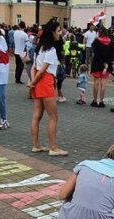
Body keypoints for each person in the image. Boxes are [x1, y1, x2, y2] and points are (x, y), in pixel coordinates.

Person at [28, 21, 66, 156]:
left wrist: (32, 82)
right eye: (58, 30)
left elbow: (34, 67)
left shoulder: (39, 48)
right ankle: (53, 147)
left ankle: (36, 145)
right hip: (45, 81)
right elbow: (43, 70)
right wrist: (33, 81)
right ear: (52, 32)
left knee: (36, 115)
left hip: (38, 82)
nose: (60, 33)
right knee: (53, 116)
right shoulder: (51, 49)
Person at [89, 26, 114, 108]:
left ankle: (95, 101)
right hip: (107, 65)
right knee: (103, 83)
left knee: (96, 83)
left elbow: (95, 53)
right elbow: (112, 55)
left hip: (97, 63)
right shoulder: (111, 42)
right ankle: (101, 101)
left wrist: (102, 62)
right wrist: (106, 63)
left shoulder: (96, 41)